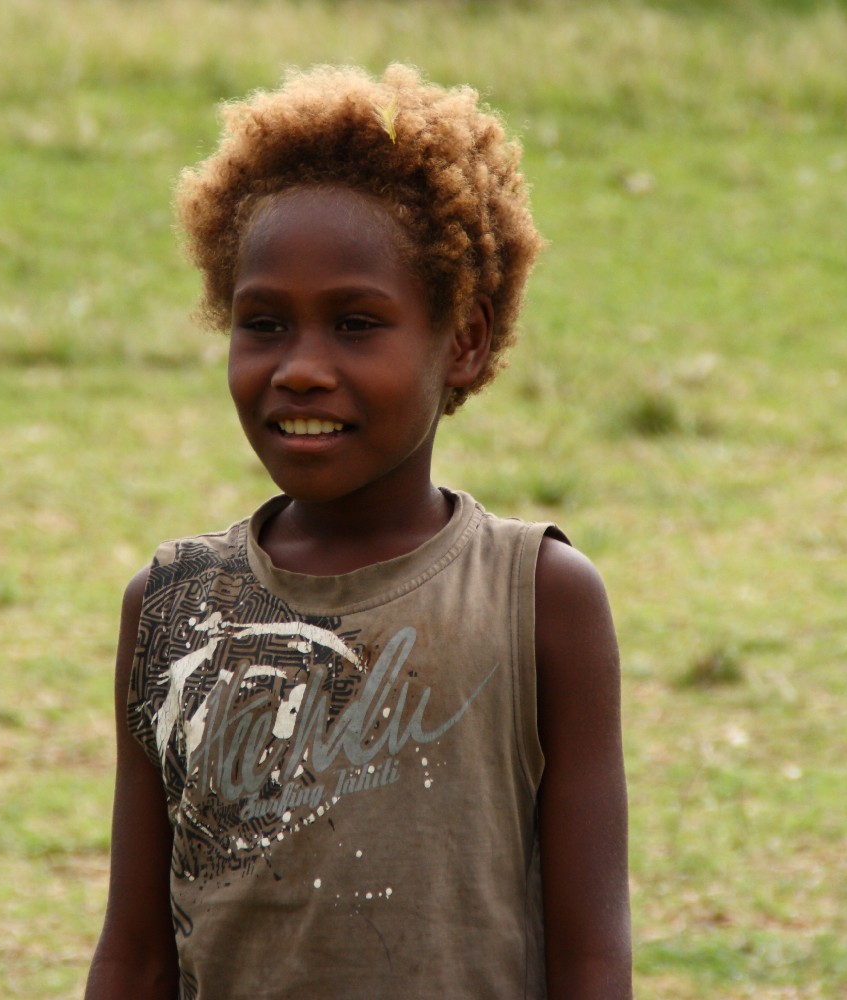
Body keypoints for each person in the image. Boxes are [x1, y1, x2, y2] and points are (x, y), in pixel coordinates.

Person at [85, 64, 630, 1000]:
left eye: (354, 323)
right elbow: (135, 954)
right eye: (263, 323)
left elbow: (593, 959)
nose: (300, 368)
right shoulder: (173, 607)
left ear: (464, 341)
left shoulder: (539, 598)